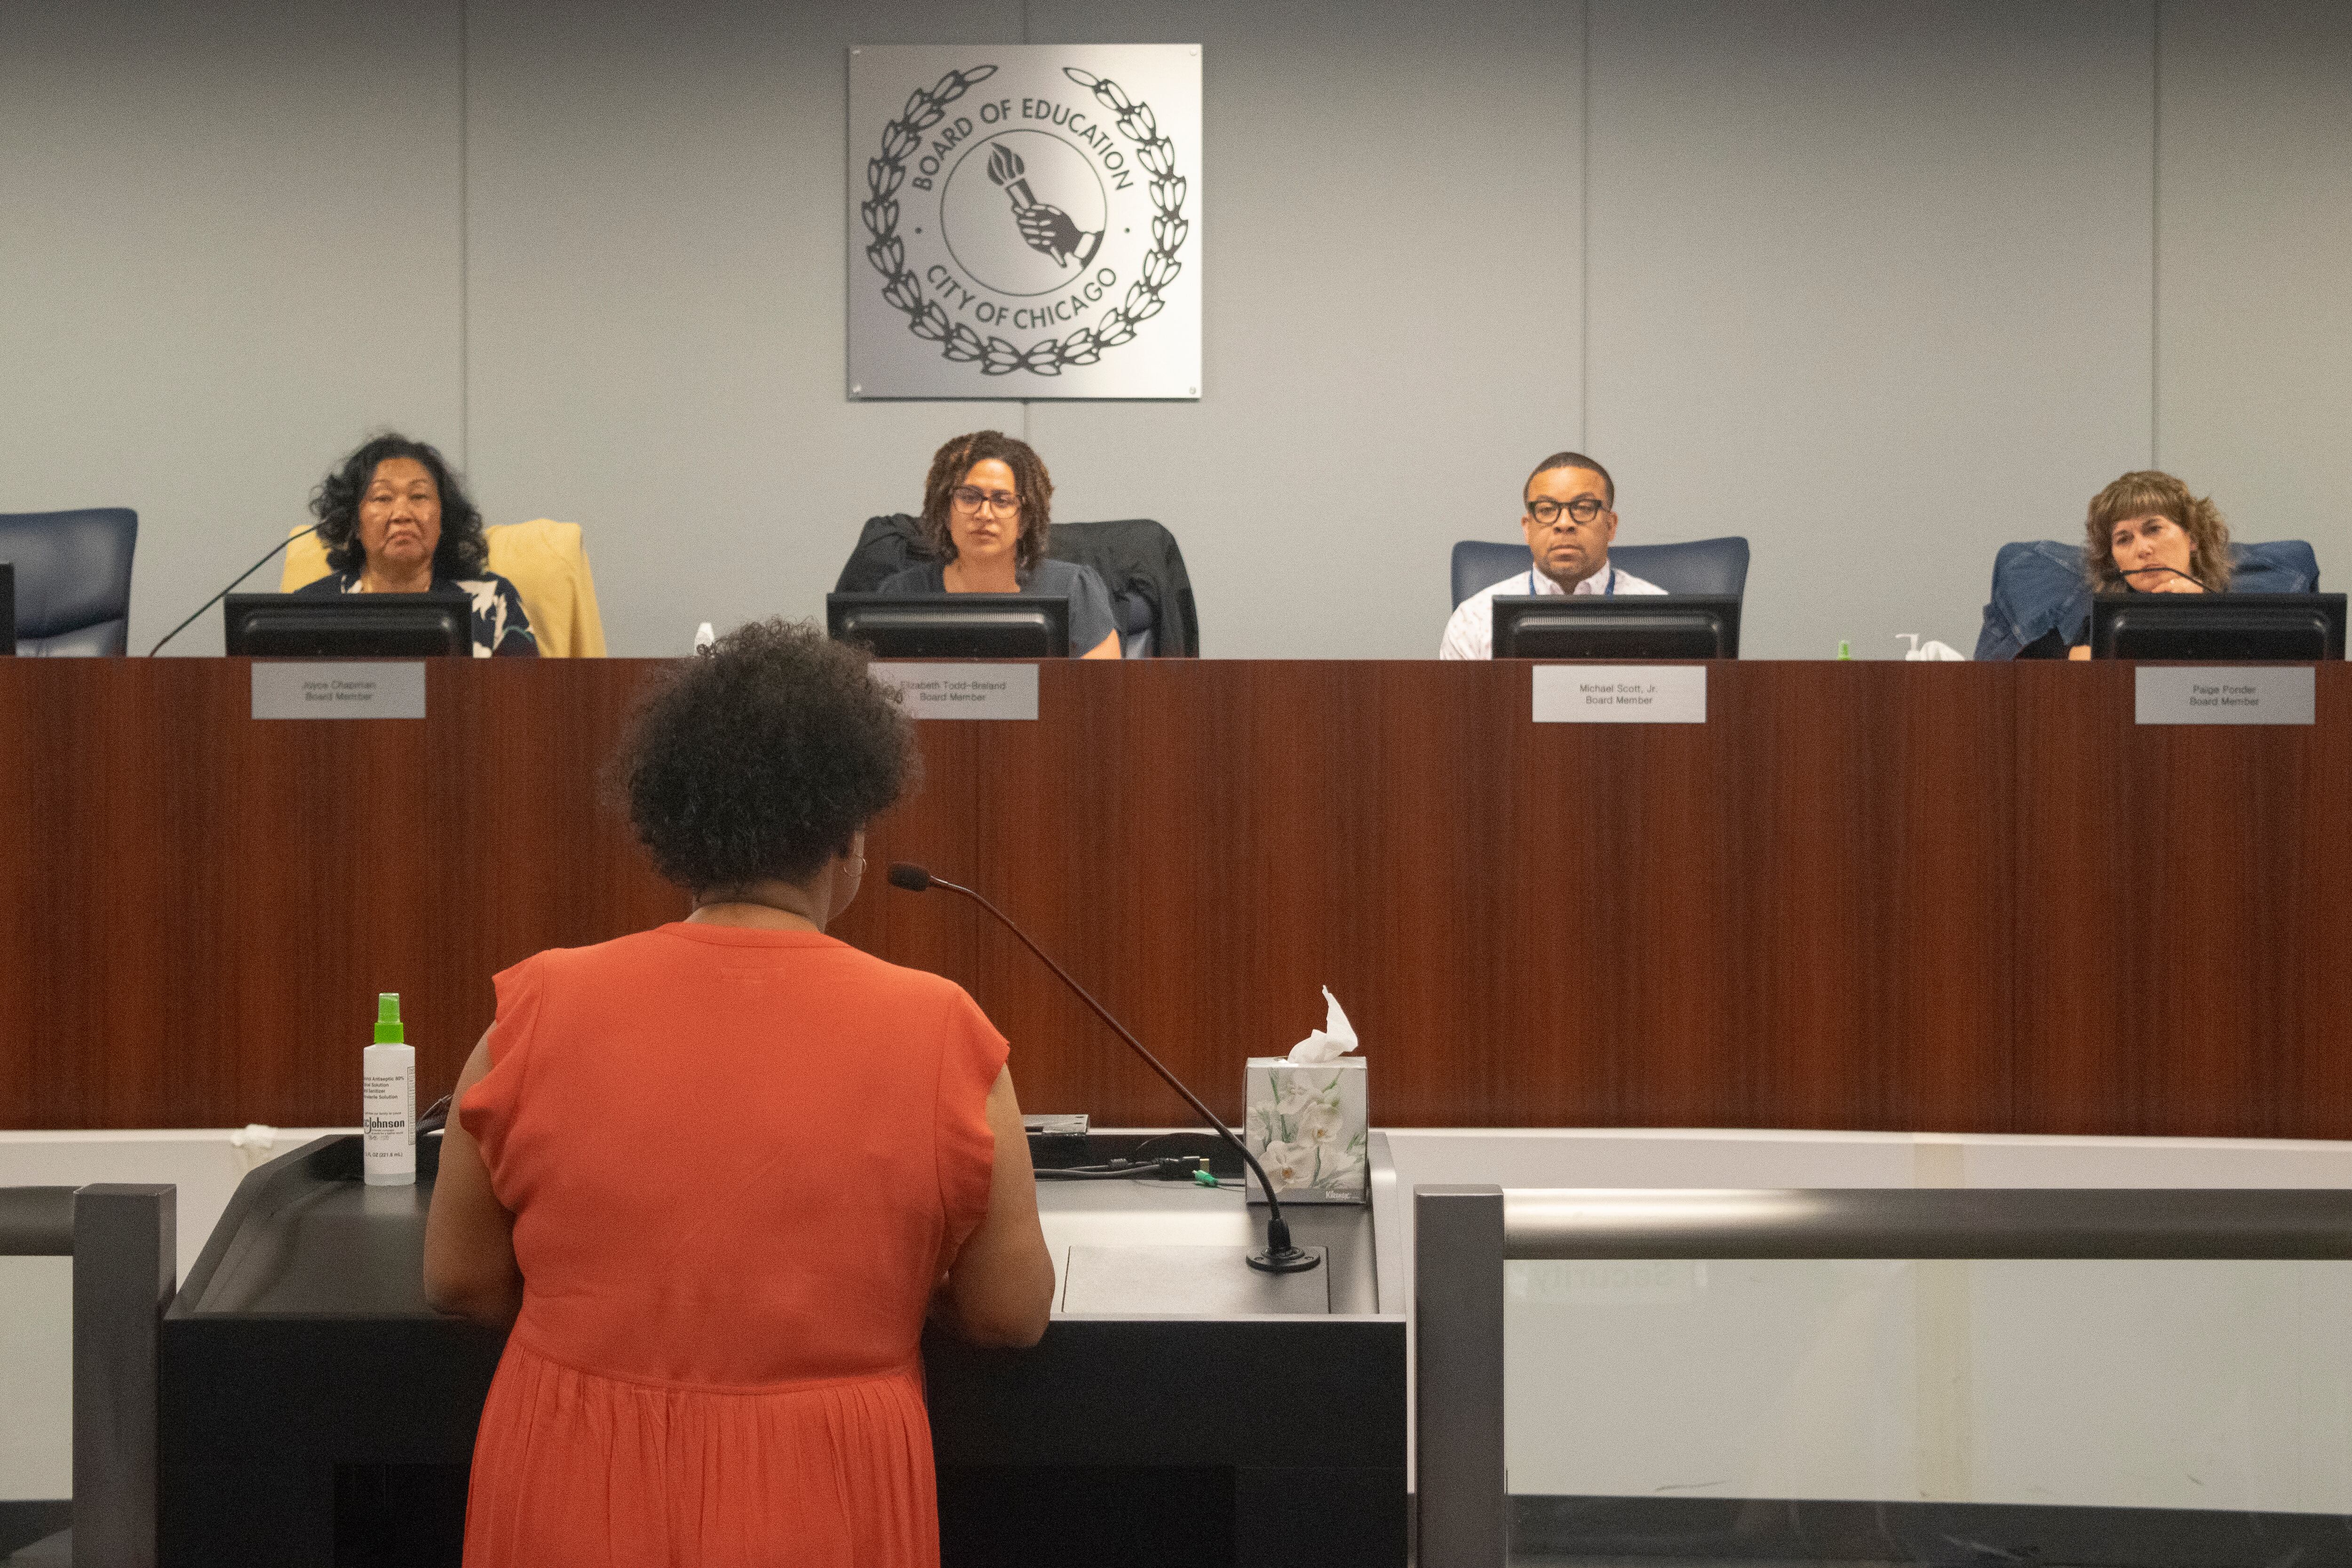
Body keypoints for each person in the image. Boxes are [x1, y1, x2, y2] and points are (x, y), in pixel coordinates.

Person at [422, 620, 1054, 1568]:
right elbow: (1011, 1309)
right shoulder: (942, 1028)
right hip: (825, 1494)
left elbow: (459, 1278)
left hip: (568, 1476)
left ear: (676, 829)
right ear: (847, 834)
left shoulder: (533, 1007)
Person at [877, 430, 1122, 659]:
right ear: (945, 514)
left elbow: (1101, 694)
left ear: (1024, 521)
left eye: (1002, 501)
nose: (984, 514)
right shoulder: (902, 594)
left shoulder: (1072, 589)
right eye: (969, 497)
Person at [300, 433, 537, 657]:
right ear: (354, 522)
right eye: (383, 498)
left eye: (418, 497)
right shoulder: (312, 609)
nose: (402, 514)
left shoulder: (493, 601)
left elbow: (525, 697)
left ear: (443, 518)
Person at [1438, 451, 1665, 660]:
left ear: (1611, 526)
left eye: (1584, 508)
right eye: (1547, 510)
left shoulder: (1663, 617)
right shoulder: (1473, 622)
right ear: (1527, 528)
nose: (1564, 523)